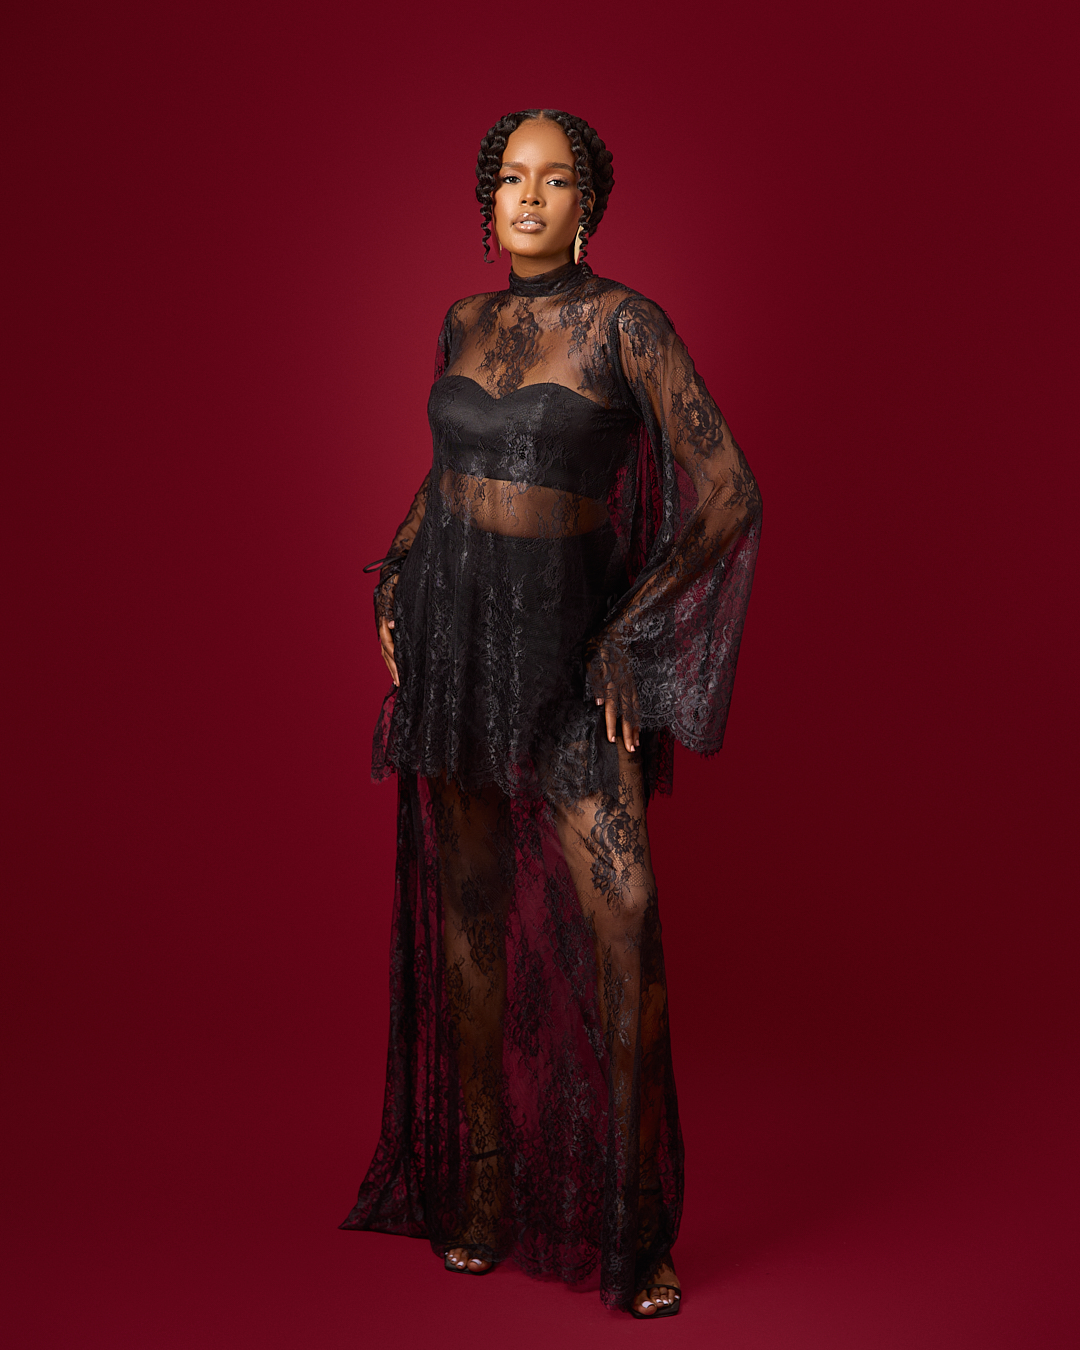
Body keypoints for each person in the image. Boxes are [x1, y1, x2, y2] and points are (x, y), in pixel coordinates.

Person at [341, 108, 762, 1320]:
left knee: (622, 925)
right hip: (454, 652)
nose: (529, 196)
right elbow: (450, 473)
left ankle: (635, 1229)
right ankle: (482, 1190)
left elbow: (729, 492)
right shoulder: (463, 322)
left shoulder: (628, 324)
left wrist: (633, 636)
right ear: (490, 203)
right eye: (511, 178)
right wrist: (397, 571)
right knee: (471, 924)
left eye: (556, 179)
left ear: (589, 205)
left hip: (566, 662)